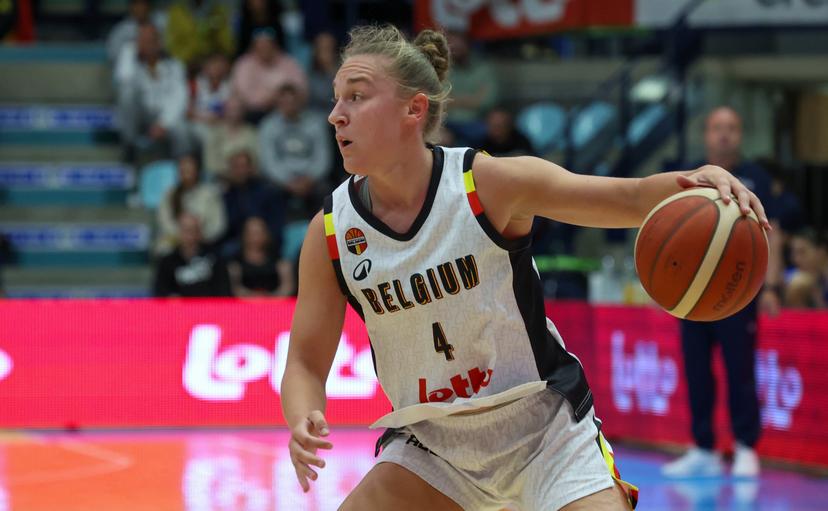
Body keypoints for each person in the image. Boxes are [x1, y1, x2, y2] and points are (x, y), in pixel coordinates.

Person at [281, 25, 768, 511]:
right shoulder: (331, 233)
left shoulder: (486, 184)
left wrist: (699, 184)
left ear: (414, 109)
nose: (335, 115)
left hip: (543, 432)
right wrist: (303, 415)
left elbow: (628, 196)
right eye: (336, 99)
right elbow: (304, 360)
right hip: (432, 445)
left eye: (356, 97)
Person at [662, 106, 779, 479]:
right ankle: (703, 448)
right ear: (706, 134)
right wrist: (663, 283)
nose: (724, 134)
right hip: (694, 294)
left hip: (737, 292)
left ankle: (746, 447)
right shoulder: (691, 176)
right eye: (717, 128)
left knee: (739, 370)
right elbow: (668, 233)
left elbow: (772, 233)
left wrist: (770, 285)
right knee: (696, 371)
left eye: (731, 127)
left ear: (740, 135)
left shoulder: (756, 178)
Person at [113, 22, 191, 161]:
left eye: (150, 40)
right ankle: (130, 146)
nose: (145, 44)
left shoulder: (174, 65)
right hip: (141, 116)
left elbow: (180, 97)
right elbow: (124, 81)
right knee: (126, 94)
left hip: (165, 117)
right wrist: (133, 53)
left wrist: (163, 123)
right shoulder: (129, 57)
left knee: (182, 129)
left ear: (159, 42)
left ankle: (182, 165)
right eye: (141, 40)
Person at [231, 28, 308, 124]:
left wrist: (277, 99)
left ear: (275, 46)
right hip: (254, 113)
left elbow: (300, 89)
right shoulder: (244, 64)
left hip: (286, 111)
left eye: (267, 46)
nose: (264, 50)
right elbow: (244, 94)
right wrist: (269, 99)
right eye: (260, 46)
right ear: (253, 47)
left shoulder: (289, 62)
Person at [155, 154, 227, 255]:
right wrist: (184, 237)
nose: (186, 174)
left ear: (197, 172)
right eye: (183, 171)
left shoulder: (210, 194)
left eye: (189, 170)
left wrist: (198, 236)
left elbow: (218, 224)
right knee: (163, 249)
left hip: (204, 241)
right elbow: (164, 221)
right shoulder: (170, 194)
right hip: (176, 242)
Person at [153, 212, 232, 297]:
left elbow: (224, 291)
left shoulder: (215, 258)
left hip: (209, 308)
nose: (189, 236)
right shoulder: (167, 261)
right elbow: (160, 292)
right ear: (179, 232)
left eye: (193, 230)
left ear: (199, 233)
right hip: (178, 309)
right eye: (186, 230)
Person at [228, 216, 293, 296]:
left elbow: (287, 288)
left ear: (267, 234)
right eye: (251, 233)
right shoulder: (235, 265)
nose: (255, 238)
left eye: (258, 233)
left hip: (275, 306)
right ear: (244, 235)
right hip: (242, 307)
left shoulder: (280, 263)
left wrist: (269, 299)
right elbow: (234, 289)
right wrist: (254, 298)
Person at [785, 227, 828, 309]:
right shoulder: (789, 278)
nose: (796, 259)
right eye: (793, 252)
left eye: (802, 252)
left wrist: (815, 292)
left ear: (821, 252)